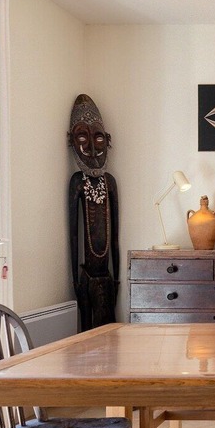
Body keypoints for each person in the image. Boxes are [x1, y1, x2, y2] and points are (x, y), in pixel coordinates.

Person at [66, 94, 120, 330]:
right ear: (72, 141)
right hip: (86, 278)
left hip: (107, 277)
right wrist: (76, 282)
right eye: (82, 137)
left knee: (110, 328)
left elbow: (115, 237)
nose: (90, 146)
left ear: (107, 140)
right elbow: (73, 237)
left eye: (97, 137)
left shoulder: (110, 182)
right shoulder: (77, 182)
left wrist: (116, 278)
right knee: (87, 333)